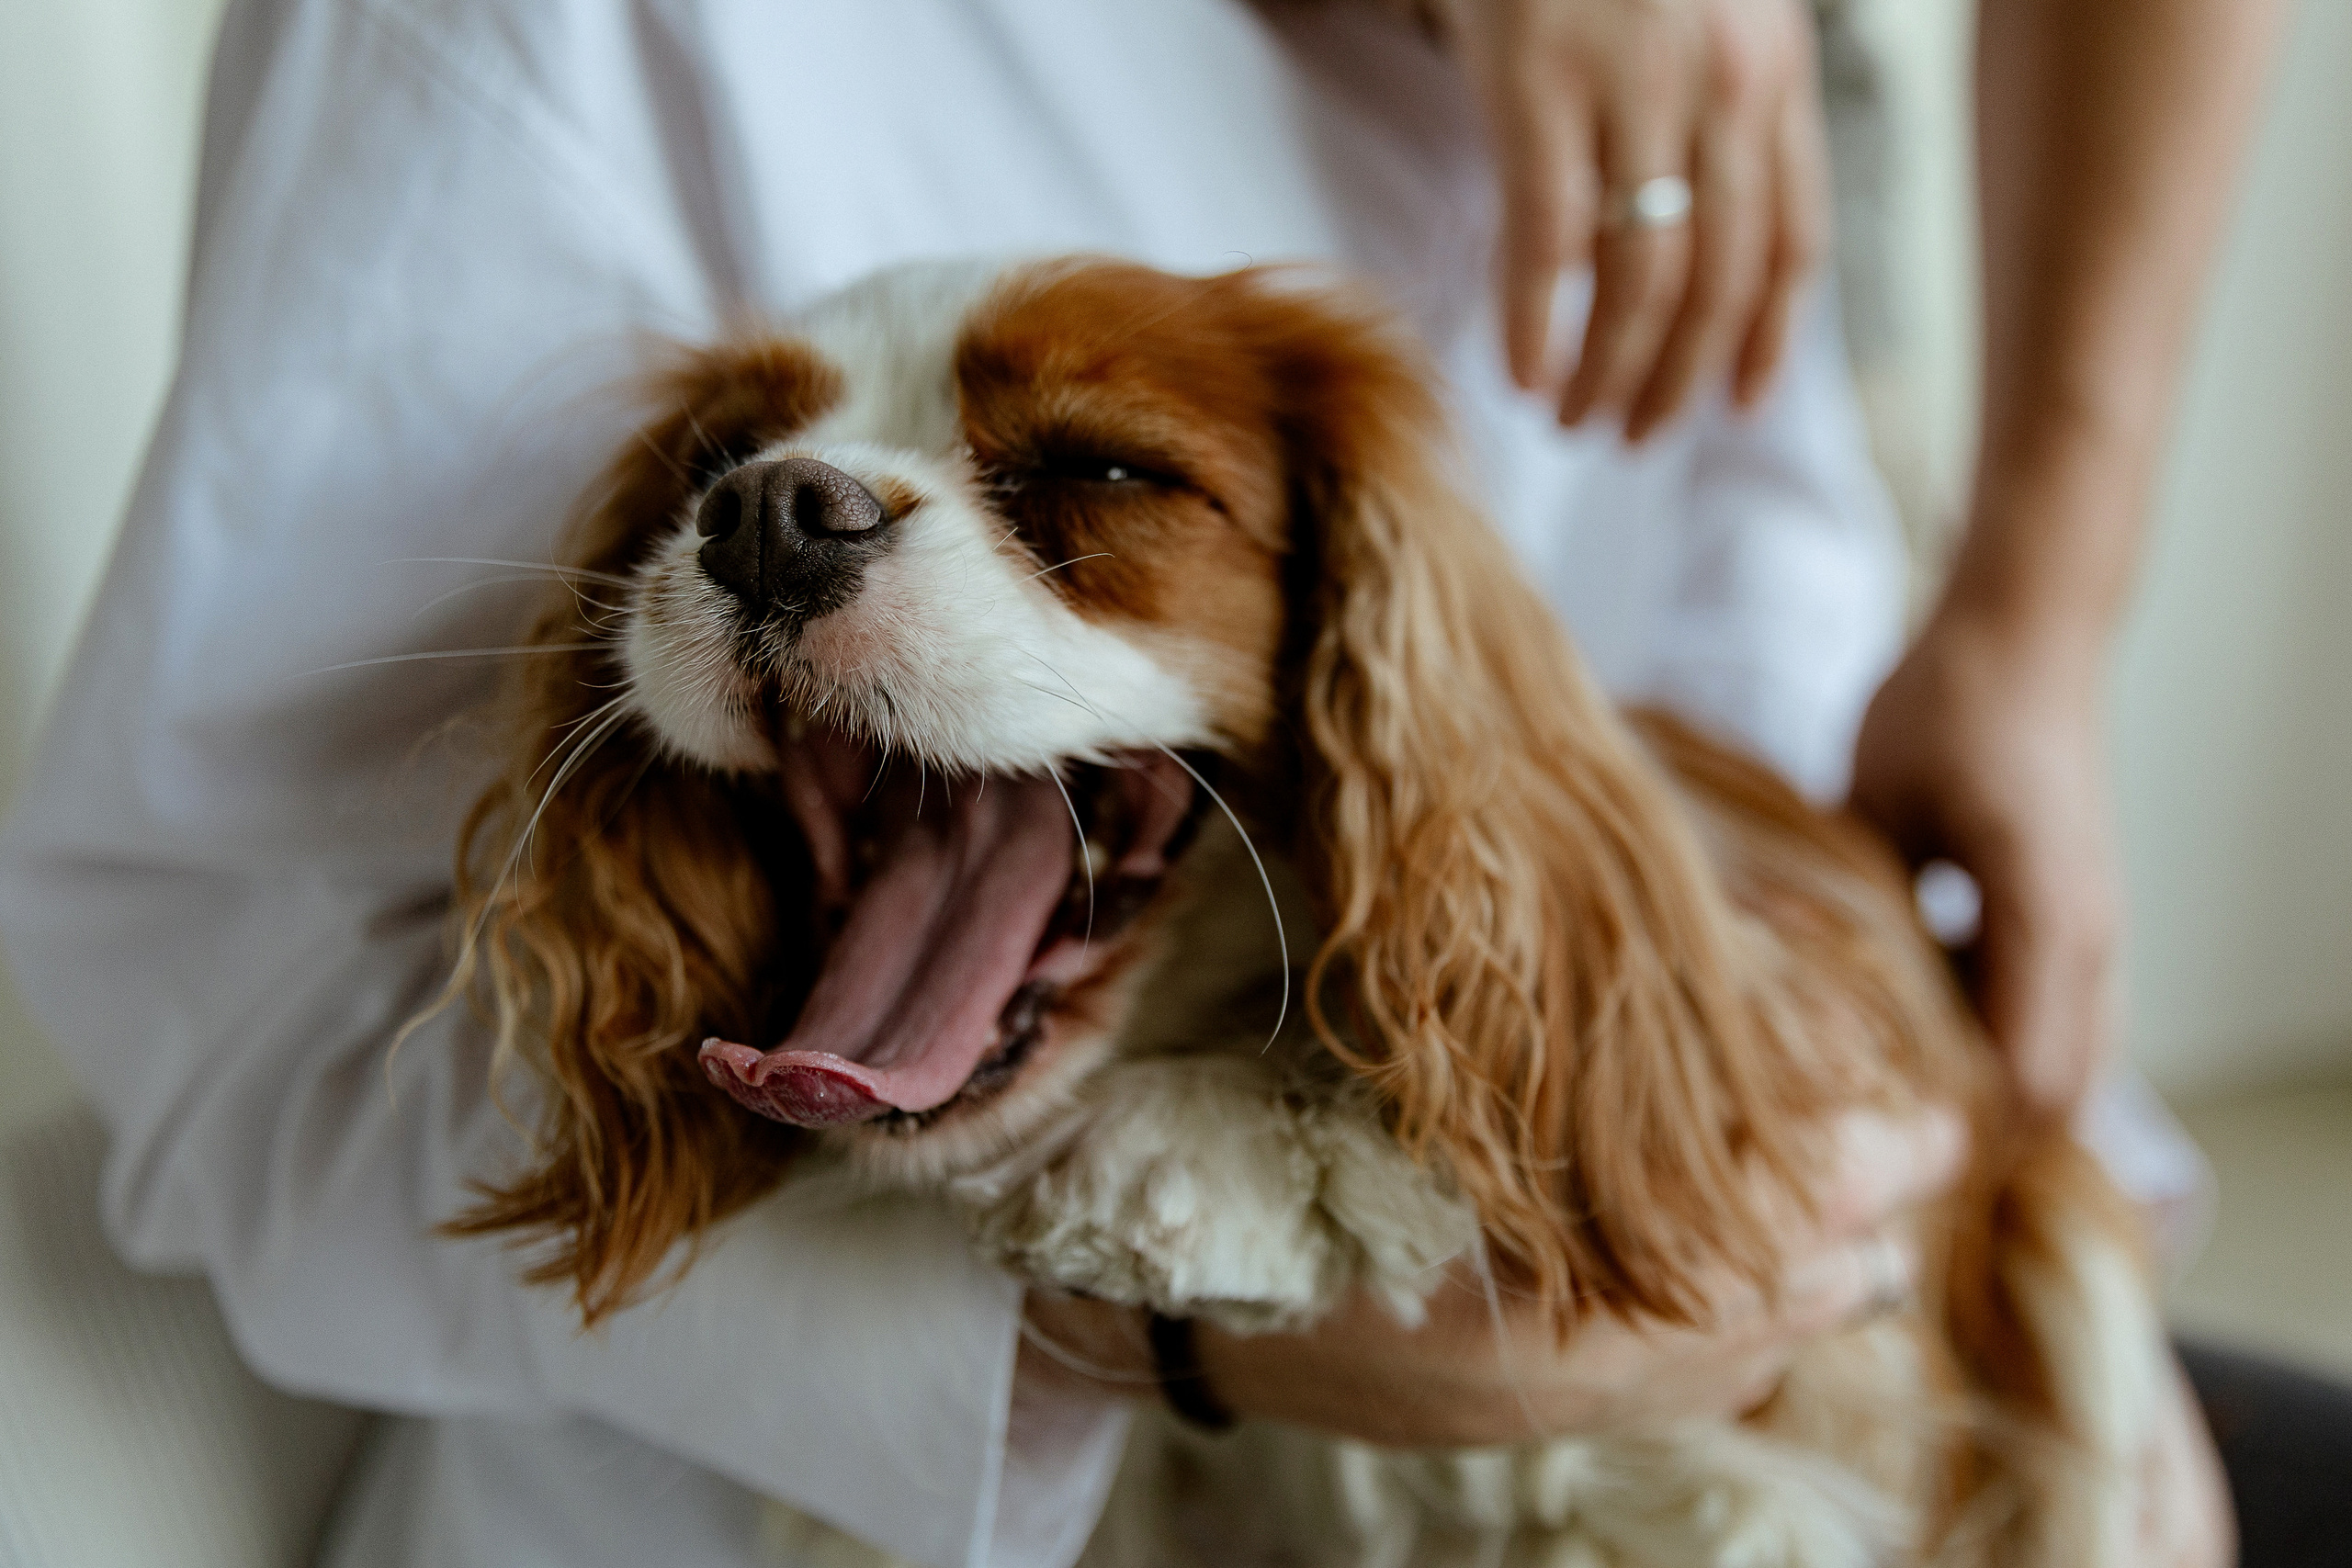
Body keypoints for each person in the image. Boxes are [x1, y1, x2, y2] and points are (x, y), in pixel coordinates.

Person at [0, 1, 2271, 1564]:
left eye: (1088, 470)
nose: (776, 505)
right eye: (725, 474)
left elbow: (1729, 729)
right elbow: (248, 1049)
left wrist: (2027, 631)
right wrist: (1142, 1322)